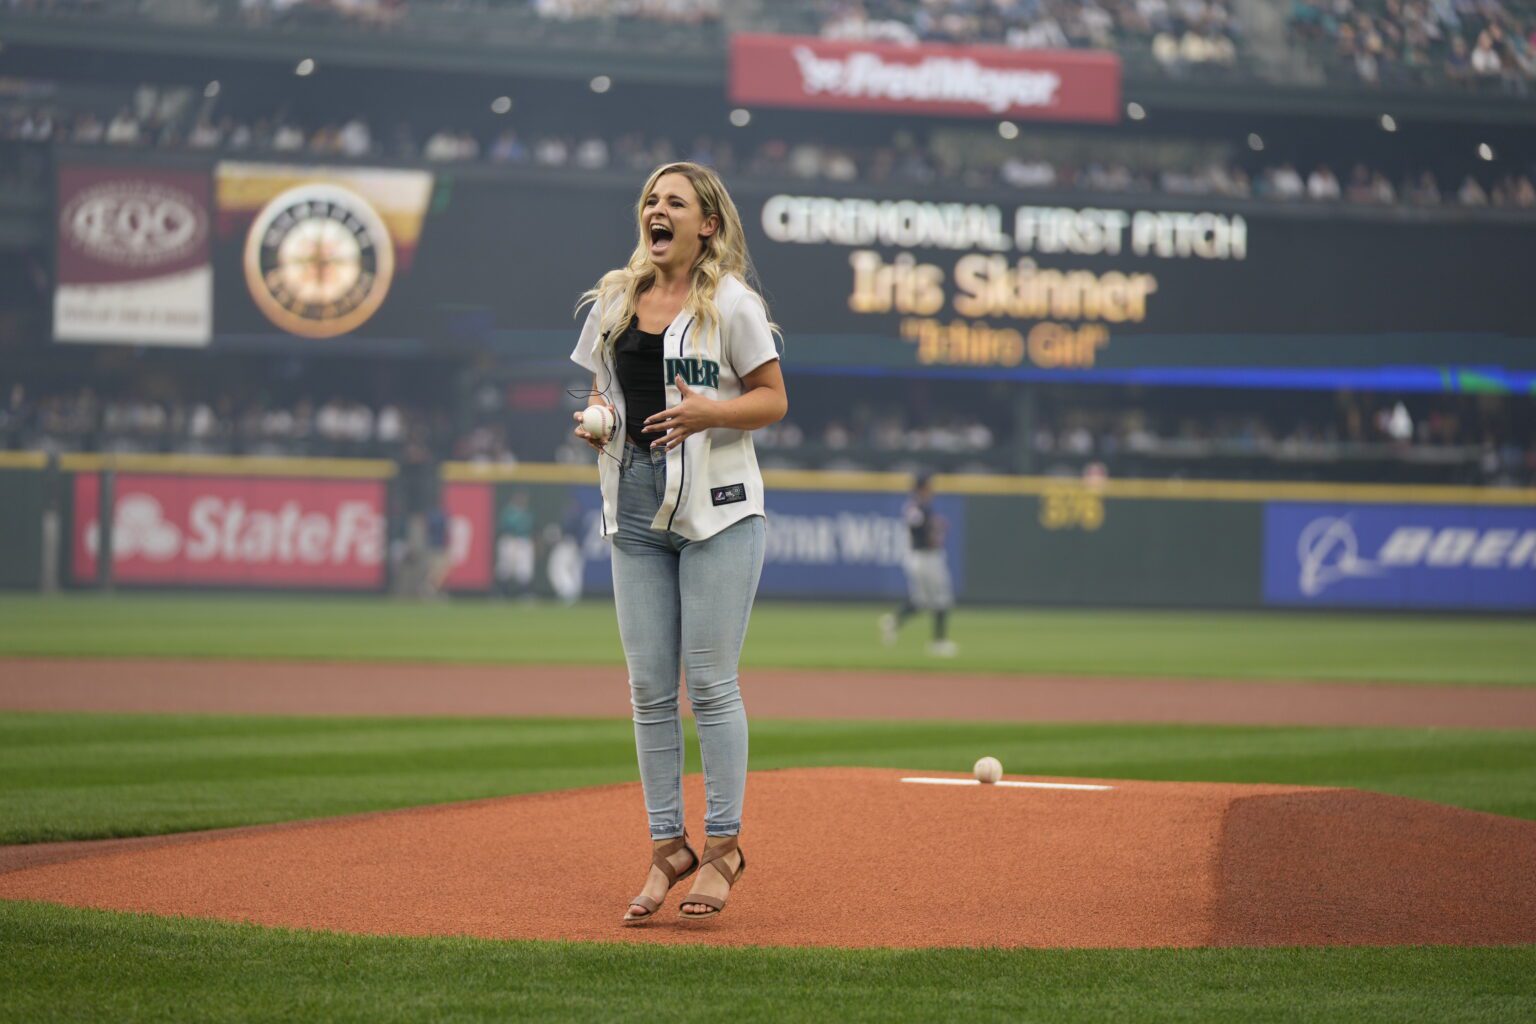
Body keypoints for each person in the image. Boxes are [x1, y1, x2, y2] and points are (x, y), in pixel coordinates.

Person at [569, 161, 787, 924]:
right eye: (650, 200)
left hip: (719, 510)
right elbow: (602, 386)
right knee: (648, 690)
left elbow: (773, 399)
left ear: (708, 225)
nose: (656, 210)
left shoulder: (732, 303)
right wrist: (596, 414)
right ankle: (669, 846)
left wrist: (710, 414)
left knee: (711, 683)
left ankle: (723, 845)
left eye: (675, 202)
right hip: (632, 505)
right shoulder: (614, 301)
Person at [880, 472, 957, 656]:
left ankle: (894, 621)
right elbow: (920, 529)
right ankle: (939, 643)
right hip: (927, 557)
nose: (932, 489)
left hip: (916, 558)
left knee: (921, 600)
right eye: (929, 485)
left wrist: (935, 525)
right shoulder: (918, 506)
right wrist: (935, 528)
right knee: (942, 598)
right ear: (922, 487)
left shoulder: (915, 505)